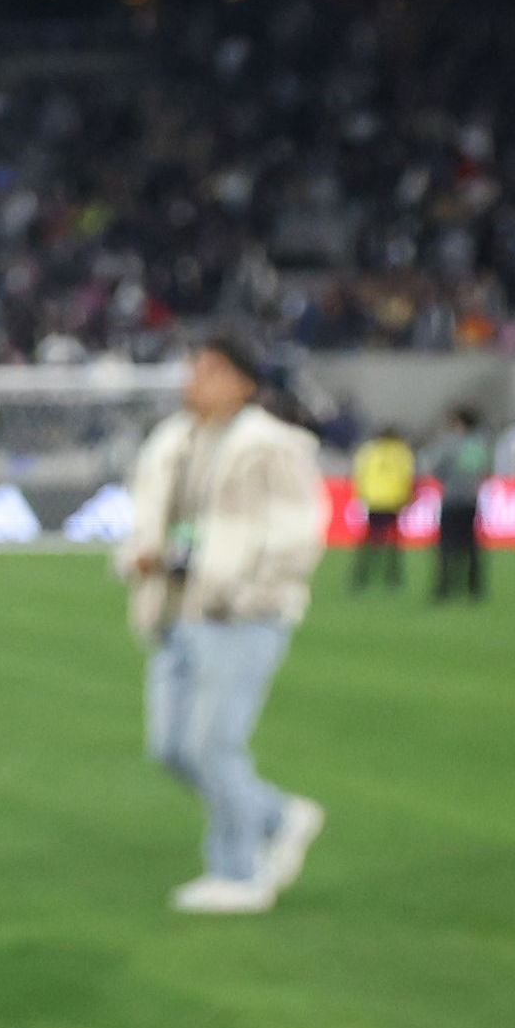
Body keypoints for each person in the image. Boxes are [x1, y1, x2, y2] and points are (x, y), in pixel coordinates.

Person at [114, 337, 330, 913]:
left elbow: (298, 533)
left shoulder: (273, 446)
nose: (192, 380)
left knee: (215, 746)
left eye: (207, 371)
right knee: (171, 749)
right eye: (192, 369)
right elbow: (149, 520)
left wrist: (246, 592)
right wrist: (138, 556)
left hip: (239, 616)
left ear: (241, 382)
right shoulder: (171, 441)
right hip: (175, 610)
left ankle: (237, 874)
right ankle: (278, 816)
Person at [429, 402, 493, 604]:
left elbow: (438, 468)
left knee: (446, 546)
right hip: (471, 499)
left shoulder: (451, 444)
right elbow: (486, 469)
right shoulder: (481, 444)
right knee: (471, 545)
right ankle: (475, 588)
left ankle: (445, 588)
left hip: (452, 499)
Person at [346, 422, 414, 592]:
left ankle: (361, 576)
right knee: (393, 541)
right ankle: (392, 577)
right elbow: (408, 475)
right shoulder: (402, 452)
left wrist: (362, 494)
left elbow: (358, 472)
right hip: (393, 500)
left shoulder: (368, 451)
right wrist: (407, 496)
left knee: (370, 539)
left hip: (373, 499)